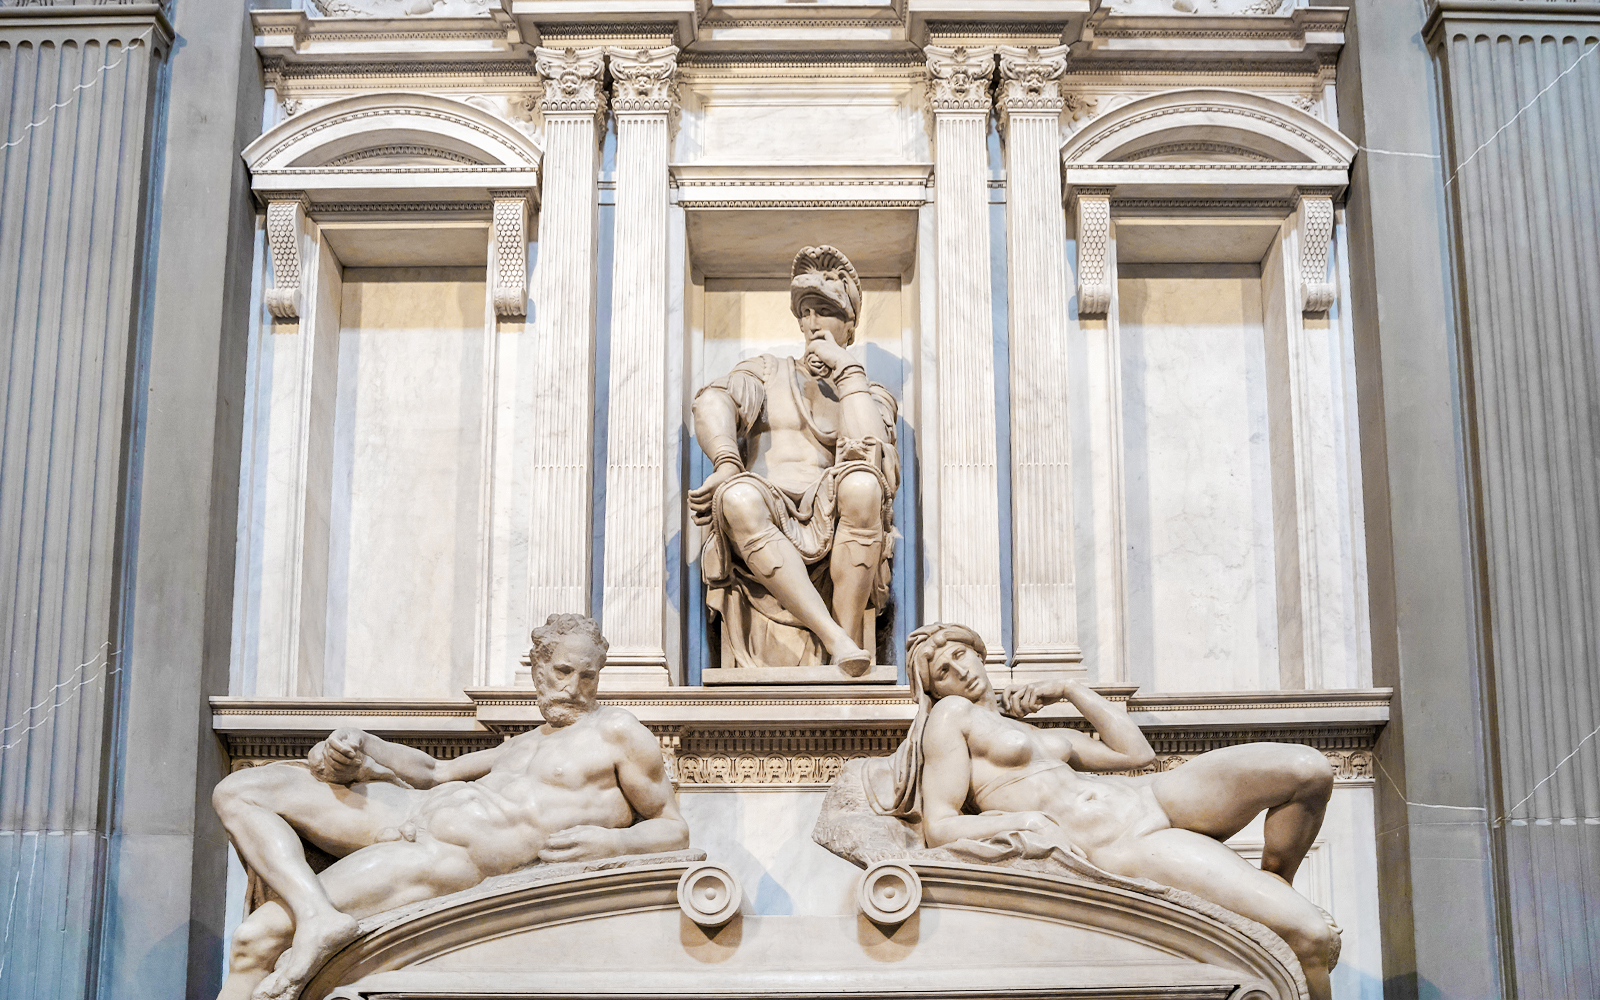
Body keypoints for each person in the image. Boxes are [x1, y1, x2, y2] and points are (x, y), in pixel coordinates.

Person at [210, 614, 690, 1000]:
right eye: (564, 671)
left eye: (589, 676)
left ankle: (313, 920)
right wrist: (365, 742)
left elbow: (674, 830)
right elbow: (434, 774)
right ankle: (317, 915)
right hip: (409, 813)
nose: (575, 688)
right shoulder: (520, 745)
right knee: (241, 788)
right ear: (538, 668)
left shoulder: (618, 732)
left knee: (255, 941)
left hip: (443, 854)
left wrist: (615, 841)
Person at [876, 622, 1340, 1000]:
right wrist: (1025, 821)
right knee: (1310, 936)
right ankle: (1282, 910)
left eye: (960, 654)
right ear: (934, 691)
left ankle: (1279, 878)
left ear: (980, 653)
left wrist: (1069, 689)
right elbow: (939, 825)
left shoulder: (1037, 732)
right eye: (941, 670)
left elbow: (1137, 755)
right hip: (1127, 845)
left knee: (1308, 769)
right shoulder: (950, 716)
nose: (957, 671)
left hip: (1154, 795)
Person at [690, 245, 898, 675]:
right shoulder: (767, 371)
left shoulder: (866, 392)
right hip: (767, 505)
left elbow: (873, 457)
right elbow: (712, 400)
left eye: (825, 310)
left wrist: (846, 371)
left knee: (862, 485)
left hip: (832, 508)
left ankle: (845, 643)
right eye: (805, 311)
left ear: (850, 322)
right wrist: (727, 462)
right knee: (739, 497)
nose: (812, 323)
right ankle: (837, 640)